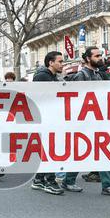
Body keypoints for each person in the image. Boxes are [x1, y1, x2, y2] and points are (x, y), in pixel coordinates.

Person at [67, 46, 110, 196]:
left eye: (100, 55)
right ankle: (68, 181)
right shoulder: (81, 75)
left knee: (101, 151)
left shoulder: (99, 74)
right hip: (84, 121)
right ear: (88, 58)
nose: (100, 58)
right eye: (97, 56)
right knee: (82, 151)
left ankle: (107, 185)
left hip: (97, 120)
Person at [30, 51, 68, 195]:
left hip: (49, 118)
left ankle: (39, 179)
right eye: (60, 61)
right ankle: (50, 181)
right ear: (50, 63)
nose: (62, 64)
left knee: (48, 148)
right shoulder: (42, 76)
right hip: (44, 119)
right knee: (49, 149)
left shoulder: (52, 76)